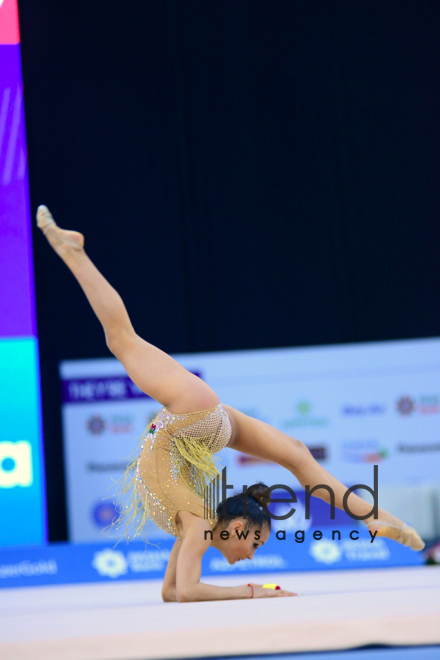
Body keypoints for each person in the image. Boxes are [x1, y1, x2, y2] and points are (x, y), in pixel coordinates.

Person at [36, 205, 425, 602]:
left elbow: (175, 592)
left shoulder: (198, 522)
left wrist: (253, 590)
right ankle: (73, 252)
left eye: (254, 549)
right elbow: (185, 592)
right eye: (255, 545)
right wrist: (257, 591)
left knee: (295, 453)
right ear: (239, 526)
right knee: (122, 340)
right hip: (190, 420)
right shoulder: (201, 521)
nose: (251, 556)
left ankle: (377, 518)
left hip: (191, 422)